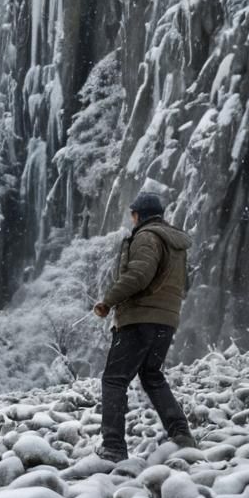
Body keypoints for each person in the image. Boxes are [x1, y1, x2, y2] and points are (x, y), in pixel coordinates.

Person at [93, 191, 195, 460]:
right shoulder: (174, 243)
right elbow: (184, 283)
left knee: (114, 380)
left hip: (139, 319)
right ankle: (181, 434)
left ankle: (113, 447)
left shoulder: (147, 237)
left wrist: (108, 300)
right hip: (166, 320)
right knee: (151, 376)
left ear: (139, 215)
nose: (131, 220)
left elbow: (138, 274)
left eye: (133, 215)